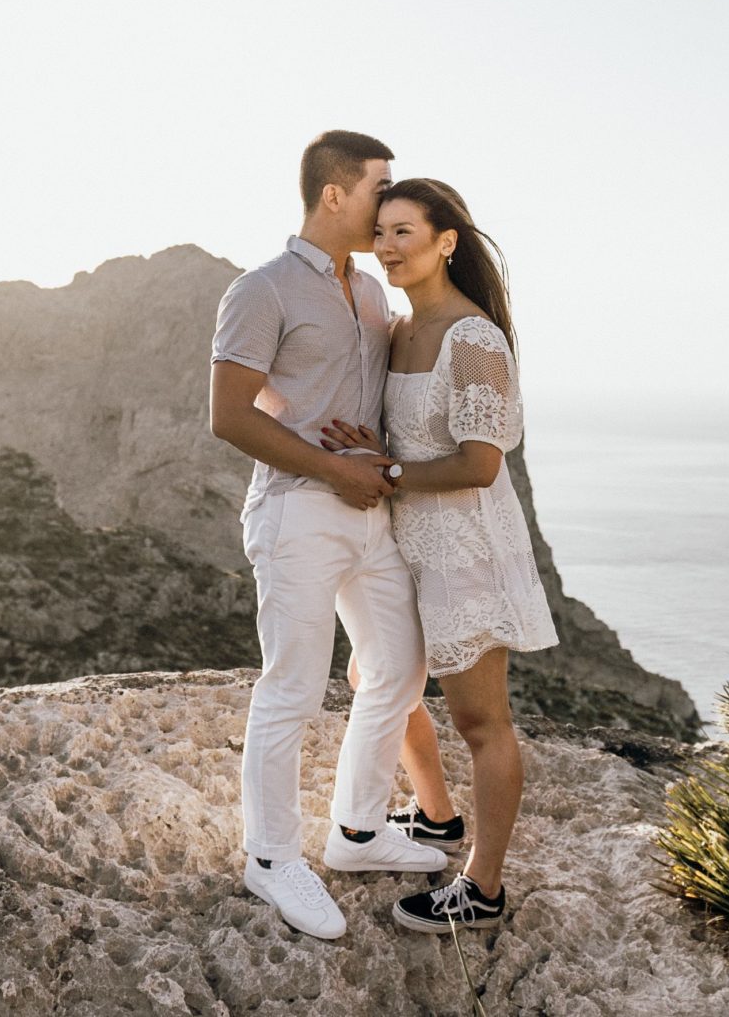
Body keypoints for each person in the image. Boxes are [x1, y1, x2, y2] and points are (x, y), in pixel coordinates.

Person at [208, 130, 450, 941]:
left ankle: (354, 831)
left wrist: (376, 461)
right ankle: (271, 857)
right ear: (335, 194)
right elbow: (229, 414)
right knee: (295, 683)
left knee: (400, 665)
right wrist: (327, 465)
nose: (392, 200)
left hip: (369, 507)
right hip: (297, 509)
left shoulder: (374, 295)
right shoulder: (263, 288)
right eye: (381, 187)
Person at [321, 177, 559, 934]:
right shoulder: (398, 329)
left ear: (446, 241)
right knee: (374, 673)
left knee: (481, 722)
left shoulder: (474, 338)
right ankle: (437, 816)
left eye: (404, 234)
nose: (388, 248)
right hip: (408, 542)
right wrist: (374, 449)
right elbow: (410, 437)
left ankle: (481, 887)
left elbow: (480, 464)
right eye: (380, 234)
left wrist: (385, 473)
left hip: (466, 548)